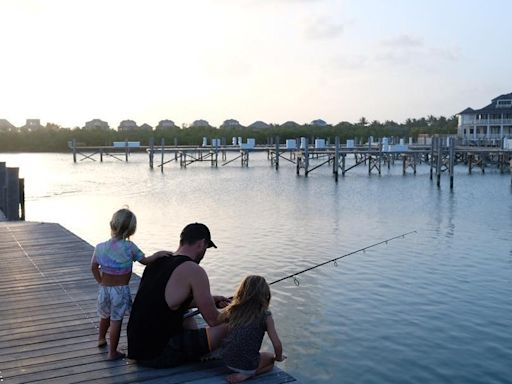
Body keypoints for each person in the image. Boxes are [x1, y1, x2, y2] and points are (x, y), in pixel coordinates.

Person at [127, 222, 230, 368]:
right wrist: (238, 309)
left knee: (184, 310)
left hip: (138, 348)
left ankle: (198, 349)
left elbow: (166, 302)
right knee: (234, 325)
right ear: (201, 244)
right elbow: (214, 320)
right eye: (206, 249)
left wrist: (213, 300)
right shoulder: (194, 270)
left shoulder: (157, 261)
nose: (204, 254)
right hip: (159, 354)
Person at [91, 208, 166, 360]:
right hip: (120, 291)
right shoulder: (130, 247)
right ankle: (112, 352)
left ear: (111, 224)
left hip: (104, 289)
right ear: (131, 230)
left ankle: (100, 339)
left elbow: (93, 267)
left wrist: (100, 281)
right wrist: (157, 255)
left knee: (104, 315)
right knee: (116, 320)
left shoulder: (100, 247)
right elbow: (144, 261)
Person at [220, 275, 285, 383]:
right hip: (246, 365)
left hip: (226, 360)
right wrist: (278, 357)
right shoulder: (266, 316)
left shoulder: (234, 310)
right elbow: (277, 345)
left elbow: (220, 319)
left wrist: (229, 304)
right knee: (270, 360)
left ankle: (244, 371)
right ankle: (246, 374)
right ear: (266, 295)